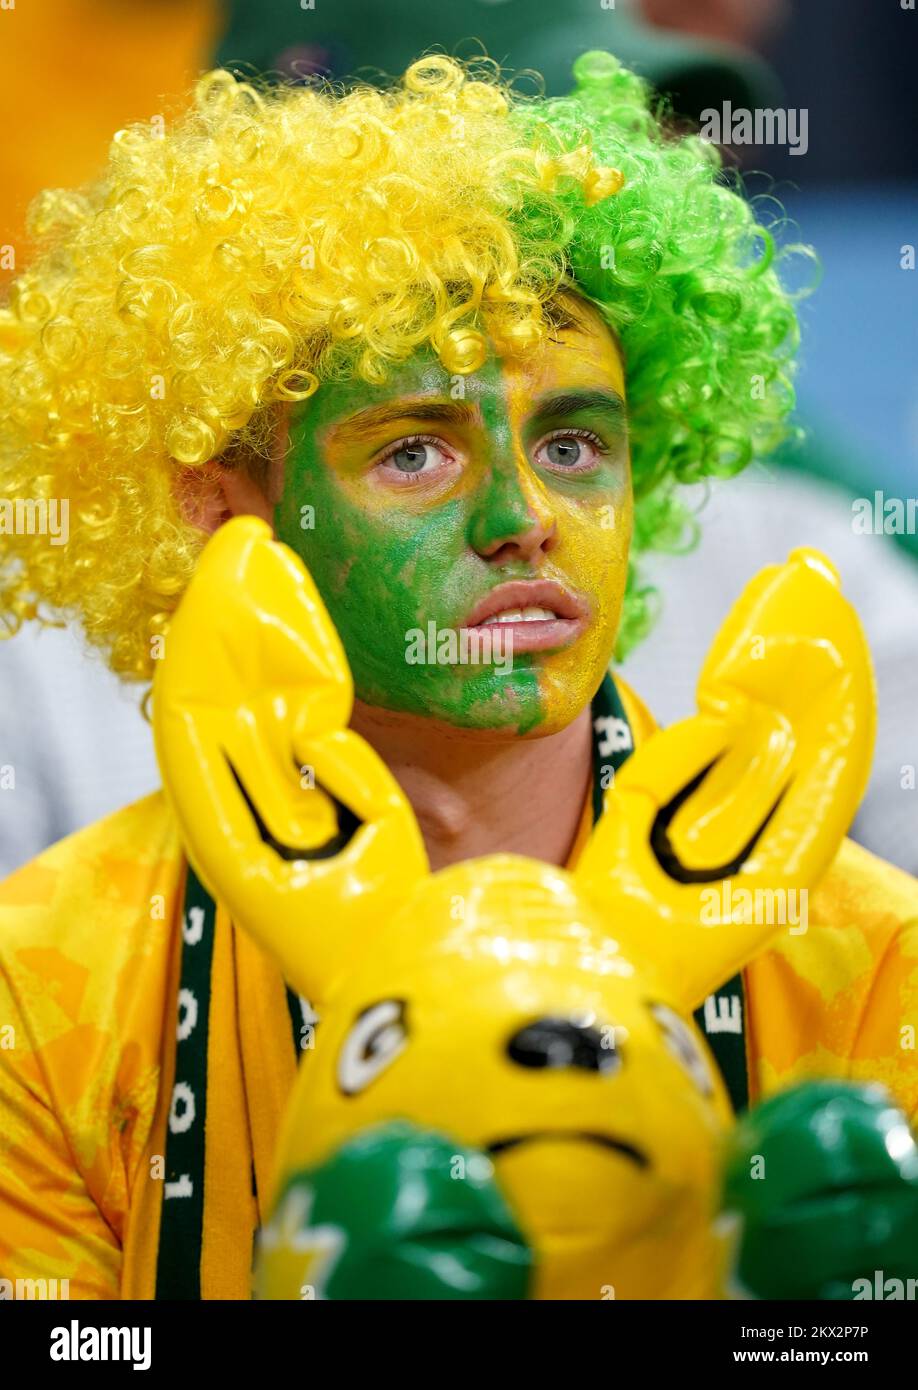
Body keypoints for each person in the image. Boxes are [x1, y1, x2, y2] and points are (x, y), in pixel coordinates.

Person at [0, 52, 914, 1300]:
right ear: (225, 510)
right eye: (418, 450)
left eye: (576, 442)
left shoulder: (870, 965)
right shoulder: (40, 989)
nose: (523, 517)